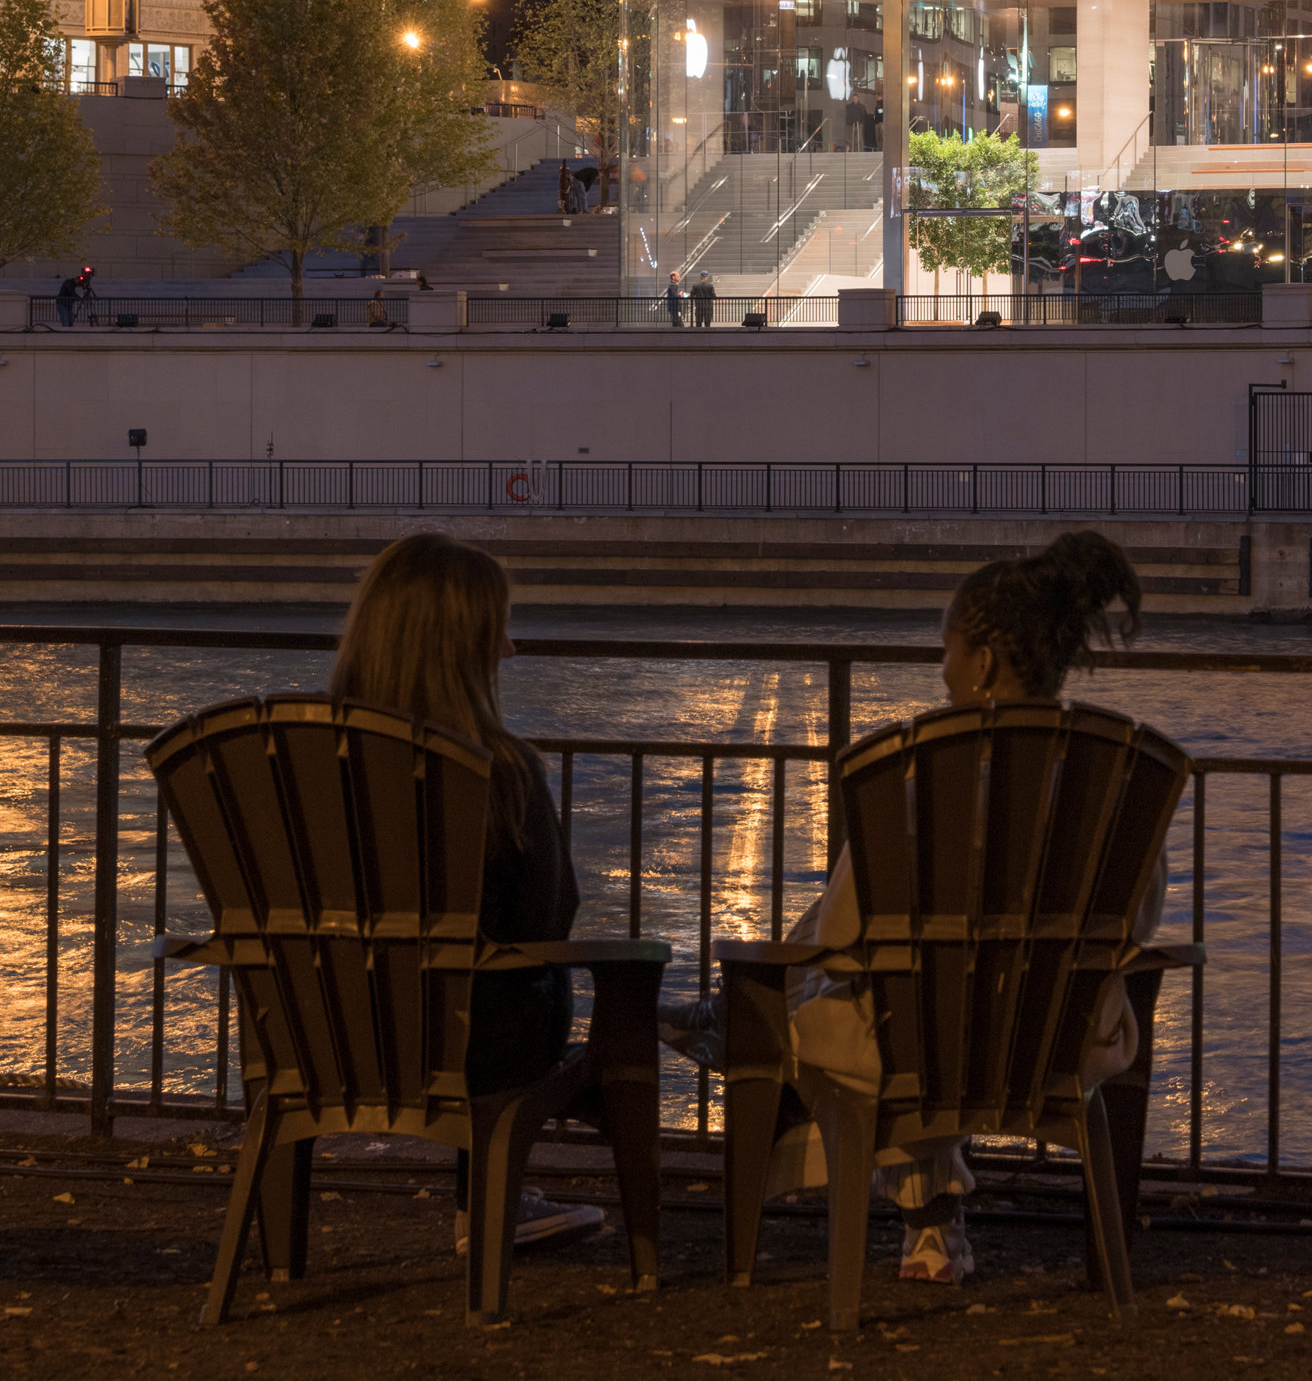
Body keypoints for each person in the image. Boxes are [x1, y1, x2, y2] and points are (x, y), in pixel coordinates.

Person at [663, 532, 1155, 1288]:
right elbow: (1139, 919)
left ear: (984, 661)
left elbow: (841, 933)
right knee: (916, 991)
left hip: (920, 1044)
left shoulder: (920, 775)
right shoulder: (1118, 776)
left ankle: (919, 1208)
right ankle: (932, 1224)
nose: (943, 668)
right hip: (1061, 1039)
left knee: (853, 999)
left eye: (949, 648)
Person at [328, 533, 602, 1256]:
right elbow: (550, 915)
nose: (508, 652)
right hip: (474, 1052)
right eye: (495, 631)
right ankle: (487, 1196)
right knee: (521, 975)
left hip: (327, 1034)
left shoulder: (305, 765)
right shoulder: (500, 772)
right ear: (462, 646)